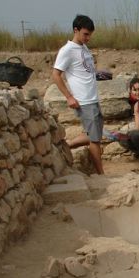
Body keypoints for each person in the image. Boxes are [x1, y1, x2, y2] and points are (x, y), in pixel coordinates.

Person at [52, 14, 104, 175]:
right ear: (76, 30)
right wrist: (69, 97)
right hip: (84, 101)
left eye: (90, 35)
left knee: (93, 135)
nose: (88, 38)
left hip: (93, 98)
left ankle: (66, 146)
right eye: (85, 34)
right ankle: (101, 175)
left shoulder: (83, 48)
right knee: (95, 140)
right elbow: (56, 74)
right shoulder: (67, 50)